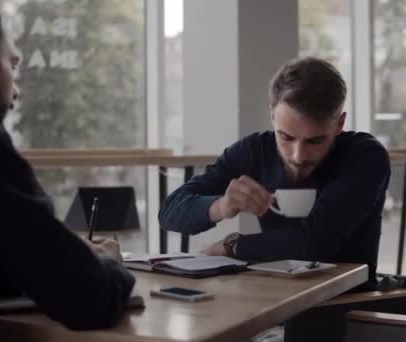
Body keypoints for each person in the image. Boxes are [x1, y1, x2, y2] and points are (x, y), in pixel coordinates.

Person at [0, 1, 135, 341]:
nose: (16, 90)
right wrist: (108, 264)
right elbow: (88, 297)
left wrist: (58, 253)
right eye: (12, 64)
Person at [159, 56, 392, 341]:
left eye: (314, 141)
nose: (298, 156)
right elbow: (170, 211)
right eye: (286, 137)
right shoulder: (254, 151)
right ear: (272, 115)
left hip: (344, 314)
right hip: (272, 308)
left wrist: (233, 245)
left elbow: (314, 244)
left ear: (339, 123)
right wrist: (222, 206)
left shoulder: (365, 156)